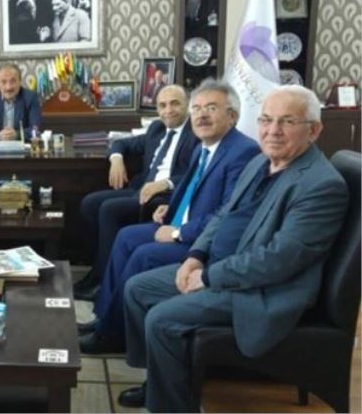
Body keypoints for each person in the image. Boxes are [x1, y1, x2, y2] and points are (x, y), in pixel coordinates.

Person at [117, 85, 349, 412]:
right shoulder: (260, 162)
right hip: (222, 268)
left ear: (314, 130)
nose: (273, 130)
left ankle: (170, 405)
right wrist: (195, 256)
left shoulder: (321, 185)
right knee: (137, 289)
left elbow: (279, 260)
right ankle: (159, 379)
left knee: (161, 319)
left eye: (287, 121)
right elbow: (223, 215)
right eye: (266, 120)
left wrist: (208, 276)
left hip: (260, 291)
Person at [79, 79, 260, 354]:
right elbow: (190, 188)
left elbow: (228, 214)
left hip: (202, 243)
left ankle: (113, 336)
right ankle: (105, 319)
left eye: (211, 108)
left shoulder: (243, 152)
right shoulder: (205, 146)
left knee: (143, 254)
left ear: (232, 116)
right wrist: (170, 209)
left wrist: (177, 233)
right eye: (197, 108)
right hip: (182, 223)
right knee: (125, 237)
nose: (201, 115)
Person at [75, 85, 198, 299]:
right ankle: (98, 267)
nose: (168, 110)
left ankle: (102, 282)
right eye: (162, 105)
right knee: (89, 203)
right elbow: (121, 143)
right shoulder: (157, 129)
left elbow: (196, 173)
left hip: (165, 198)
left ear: (187, 105)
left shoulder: (195, 133)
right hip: (140, 190)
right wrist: (116, 159)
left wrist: (166, 183)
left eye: (175, 104)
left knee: (110, 209)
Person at [0, 64, 41, 141]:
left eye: (13, 81)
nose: (8, 87)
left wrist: (17, 134)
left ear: (20, 82)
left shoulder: (31, 98)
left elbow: (35, 128)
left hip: (21, 144)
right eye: (3, 82)